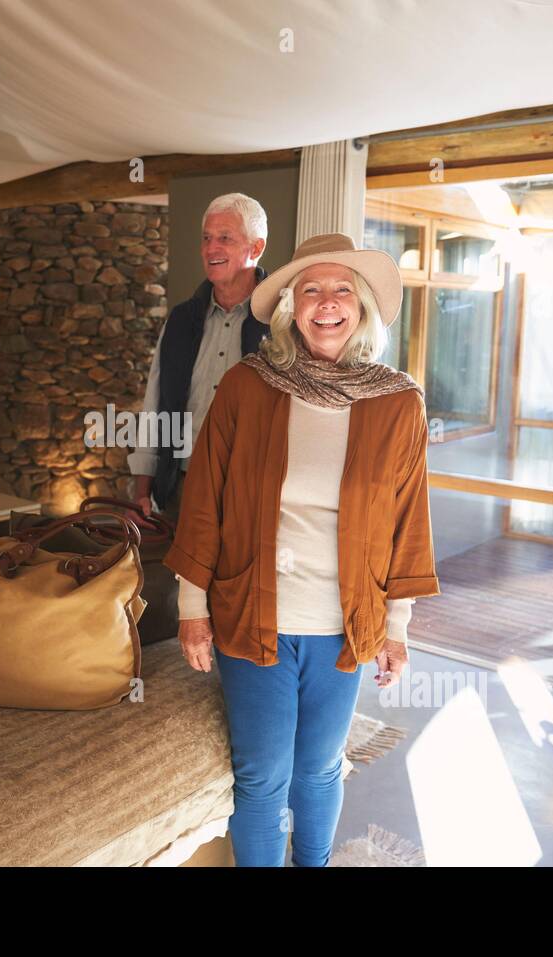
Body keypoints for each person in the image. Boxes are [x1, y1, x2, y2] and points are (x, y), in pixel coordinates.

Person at [162, 232, 440, 867]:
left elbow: (409, 523)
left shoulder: (397, 401)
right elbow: (204, 502)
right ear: (291, 304)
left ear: (363, 306)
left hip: (344, 623)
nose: (327, 302)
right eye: (311, 289)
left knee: (318, 770)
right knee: (262, 776)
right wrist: (191, 608)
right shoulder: (246, 387)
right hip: (251, 613)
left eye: (343, 288)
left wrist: (398, 628)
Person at [128, 193, 270, 525]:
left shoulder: (282, 321)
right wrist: (141, 491)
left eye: (225, 238)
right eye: (206, 238)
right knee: (173, 579)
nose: (210, 249)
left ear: (256, 248)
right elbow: (154, 406)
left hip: (250, 495)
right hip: (179, 490)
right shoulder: (180, 320)